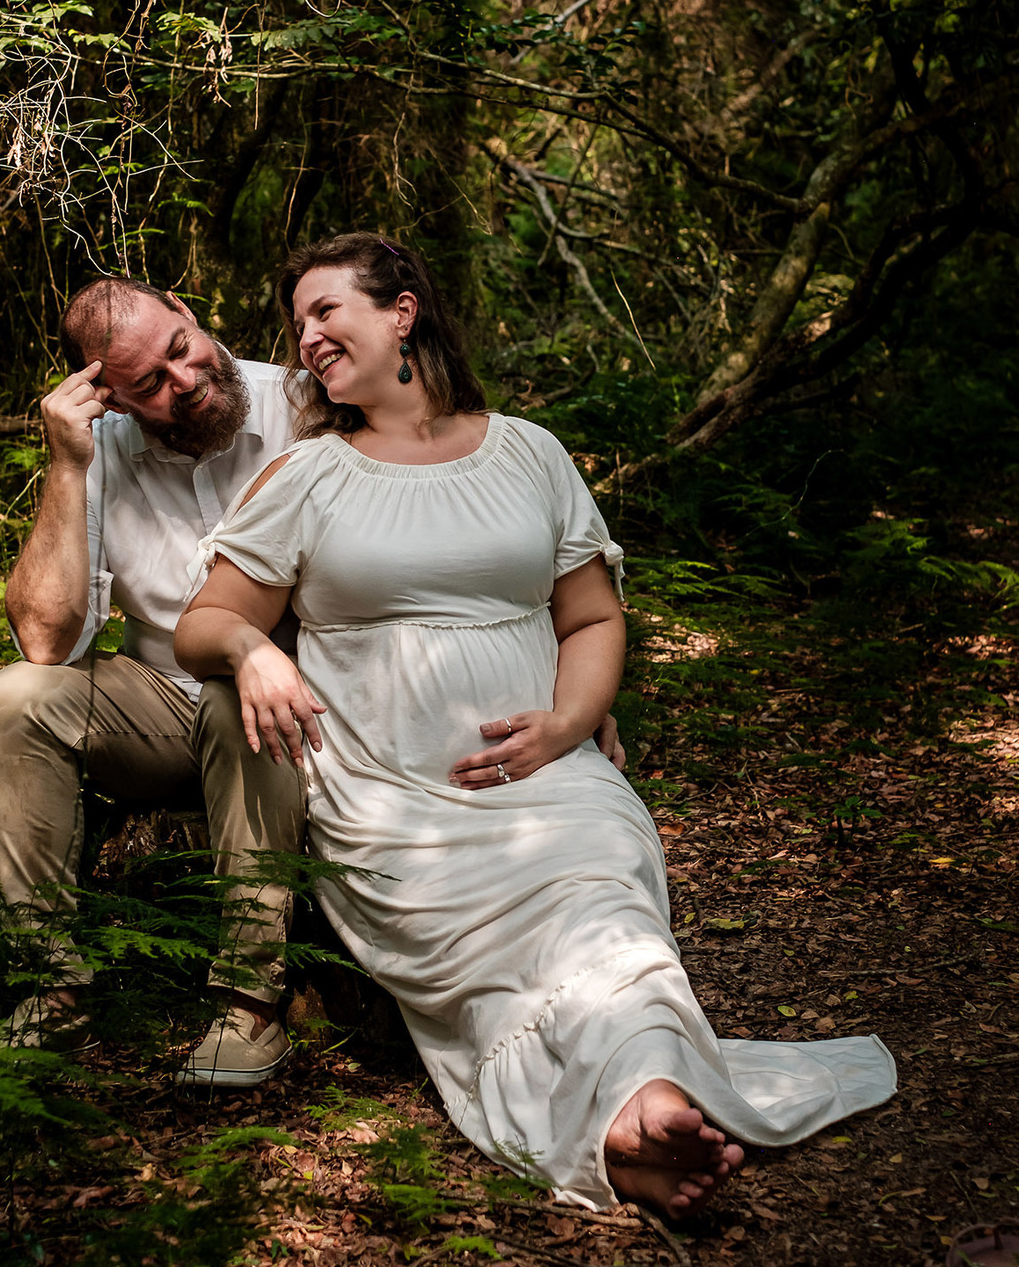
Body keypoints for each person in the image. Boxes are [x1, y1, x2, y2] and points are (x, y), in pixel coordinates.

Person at [175, 232, 897, 1218]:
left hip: (543, 777)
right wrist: (256, 652)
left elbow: (593, 617)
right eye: (297, 322)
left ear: (402, 314)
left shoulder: (528, 452)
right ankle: (632, 1120)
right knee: (496, 971)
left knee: (608, 902)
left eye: (325, 311)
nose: (306, 337)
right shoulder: (308, 477)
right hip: (390, 795)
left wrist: (569, 725)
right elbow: (204, 624)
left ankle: (639, 1107)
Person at [0, 276, 305, 1085]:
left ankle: (249, 1005)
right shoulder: (98, 451)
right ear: (109, 400)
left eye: (180, 350)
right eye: (150, 386)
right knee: (15, 697)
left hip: (300, 695)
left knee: (240, 699)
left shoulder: (300, 404)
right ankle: (54, 993)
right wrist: (66, 467)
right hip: (161, 700)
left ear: (189, 313)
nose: (186, 383)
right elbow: (46, 640)